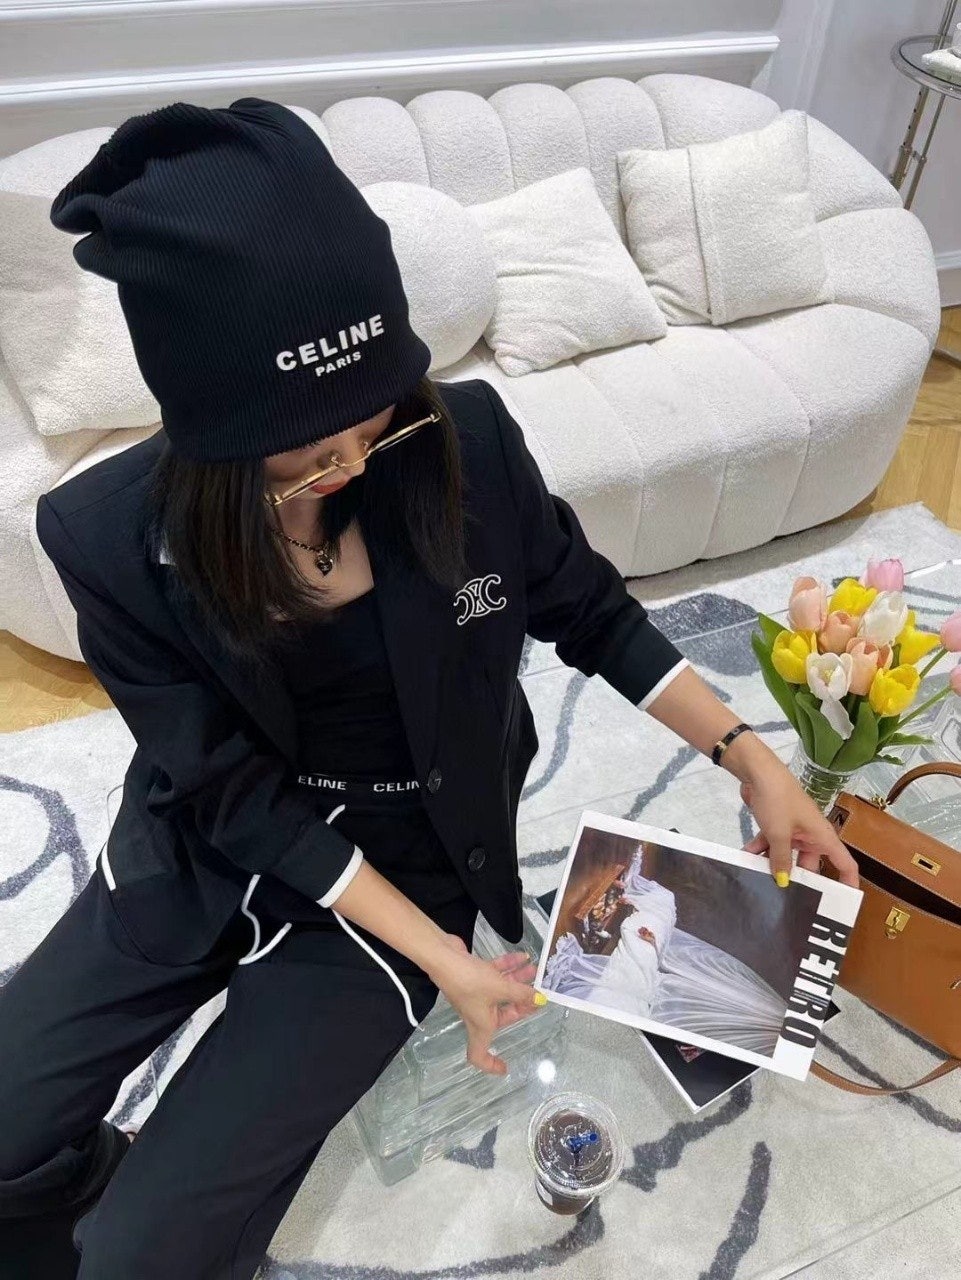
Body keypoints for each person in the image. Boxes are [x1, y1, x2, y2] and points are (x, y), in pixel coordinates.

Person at [0, 97, 859, 1279]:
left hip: (407, 858)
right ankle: (94, 1177)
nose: (357, 464)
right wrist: (449, 966)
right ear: (213, 435)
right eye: (311, 454)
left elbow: (591, 612)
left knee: (142, 1254)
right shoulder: (100, 536)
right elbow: (232, 795)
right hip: (205, 840)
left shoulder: (466, 443)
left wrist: (751, 757)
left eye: (377, 423)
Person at [544, 852, 788, 1055]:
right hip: (656, 985)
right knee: (660, 910)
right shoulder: (724, 997)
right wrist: (656, 948)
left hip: (648, 1008)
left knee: (628, 982)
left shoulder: (714, 1035)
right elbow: (682, 974)